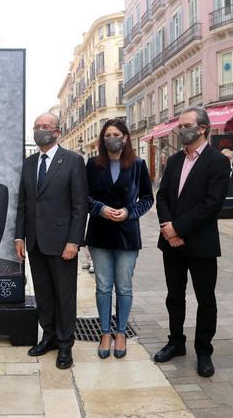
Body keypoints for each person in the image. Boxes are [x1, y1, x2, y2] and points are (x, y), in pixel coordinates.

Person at [154, 106, 230, 378]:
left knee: (205, 299)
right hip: (171, 244)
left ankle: (204, 350)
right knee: (174, 296)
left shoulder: (218, 162)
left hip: (201, 244)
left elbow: (211, 205)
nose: (181, 129)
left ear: (202, 128)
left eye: (186, 125)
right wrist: (167, 227)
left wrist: (178, 227)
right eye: (180, 125)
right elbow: (161, 196)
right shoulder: (174, 161)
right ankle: (176, 342)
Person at [15, 112, 88, 369]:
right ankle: (49, 337)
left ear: (57, 132)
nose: (40, 130)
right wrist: (19, 236)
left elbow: (80, 206)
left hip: (62, 243)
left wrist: (74, 242)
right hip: (35, 242)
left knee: (64, 296)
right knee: (44, 294)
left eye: (46, 126)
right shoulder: (29, 163)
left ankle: (65, 345)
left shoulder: (72, 161)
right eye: (37, 127)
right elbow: (23, 203)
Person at [85, 118, 154, 359]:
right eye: (107, 135)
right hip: (99, 233)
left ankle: (121, 332)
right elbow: (83, 196)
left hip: (126, 234)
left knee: (124, 286)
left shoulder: (137, 164)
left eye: (115, 134)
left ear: (125, 137)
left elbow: (147, 198)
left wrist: (128, 212)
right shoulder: (93, 165)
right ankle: (105, 332)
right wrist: (100, 209)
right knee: (103, 286)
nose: (111, 138)